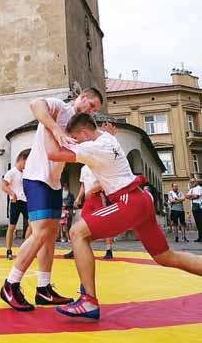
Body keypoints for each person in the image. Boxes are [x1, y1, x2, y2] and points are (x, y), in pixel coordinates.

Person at [45, 112, 202, 322]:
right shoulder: (107, 137)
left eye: (77, 138)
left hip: (128, 201)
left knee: (76, 232)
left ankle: (88, 301)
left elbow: (53, 153)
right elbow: (100, 134)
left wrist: (47, 124)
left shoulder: (94, 146)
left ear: (84, 132)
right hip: (141, 199)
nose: (76, 142)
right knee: (166, 257)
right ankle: (87, 294)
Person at [0, 87, 105, 312]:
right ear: (83, 98)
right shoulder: (60, 106)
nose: (93, 112)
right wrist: (55, 128)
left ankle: (43, 288)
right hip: (36, 177)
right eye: (93, 106)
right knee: (40, 233)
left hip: (54, 182)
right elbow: (36, 104)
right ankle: (10, 284)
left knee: (49, 236)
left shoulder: (79, 126)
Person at [64, 165, 114, 260]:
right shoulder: (84, 169)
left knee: (105, 224)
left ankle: (109, 250)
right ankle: (76, 249)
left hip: (99, 197)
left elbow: (103, 182)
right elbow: (83, 185)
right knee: (81, 224)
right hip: (88, 200)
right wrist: (78, 198)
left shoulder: (98, 166)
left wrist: (92, 190)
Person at [1, 149, 31, 260]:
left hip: (25, 201)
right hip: (15, 202)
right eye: (27, 162)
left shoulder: (25, 173)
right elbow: (3, 186)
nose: (26, 166)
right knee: (12, 227)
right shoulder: (11, 172)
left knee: (32, 224)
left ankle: (25, 248)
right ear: (22, 160)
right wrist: (12, 194)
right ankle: (9, 250)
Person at [186, 178, 202, 242]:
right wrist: (191, 195)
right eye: (191, 182)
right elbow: (186, 196)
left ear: (196, 182)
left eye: (193, 182)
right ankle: (200, 237)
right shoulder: (191, 189)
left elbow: (197, 196)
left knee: (200, 222)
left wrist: (190, 196)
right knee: (197, 223)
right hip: (193, 206)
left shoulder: (199, 188)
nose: (192, 183)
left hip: (199, 206)